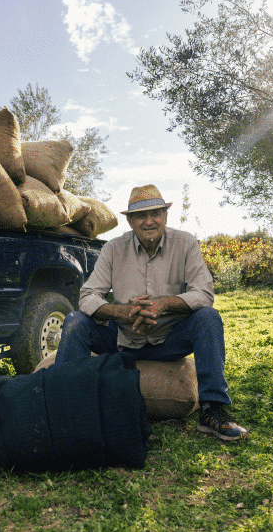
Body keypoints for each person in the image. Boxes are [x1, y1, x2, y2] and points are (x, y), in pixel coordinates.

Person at [54, 184, 248, 440]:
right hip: (122, 339)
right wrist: (123, 312)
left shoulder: (186, 243)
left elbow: (204, 293)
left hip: (168, 341)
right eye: (140, 216)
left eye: (155, 213)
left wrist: (164, 304)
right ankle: (61, 408)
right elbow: (87, 296)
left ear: (165, 217)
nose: (149, 221)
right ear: (130, 222)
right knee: (75, 321)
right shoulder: (113, 248)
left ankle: (212, 411)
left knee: (208, 318)